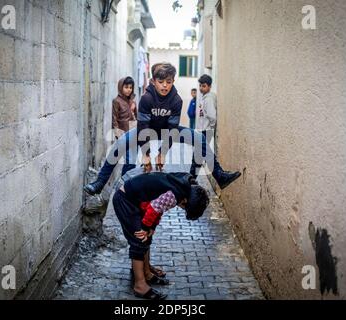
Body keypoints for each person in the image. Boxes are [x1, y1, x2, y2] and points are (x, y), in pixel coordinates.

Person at [84, 63, 241, 195]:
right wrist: (146, 154)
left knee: (199, 139)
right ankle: (99, 183)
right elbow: (143, 127)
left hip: (168, 130)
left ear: (173, 81)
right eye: (161, 82)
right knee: (120, 144)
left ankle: (219, 175)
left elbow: (172, 130)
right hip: (147, 129)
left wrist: (162, 153)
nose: (165, 85)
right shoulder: (147, 98)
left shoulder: (176, 100)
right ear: (153, 82)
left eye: (169, 81)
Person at [112, 172, 209, 300]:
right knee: (139, 240)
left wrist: (151, 227)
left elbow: (158, 209)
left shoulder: (181, 186)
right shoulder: (176, 195)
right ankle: (139, 285)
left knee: (146, 238)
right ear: (185, 201)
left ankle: (146, 272)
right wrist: (146, 228)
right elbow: (154, 208)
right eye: (185, 208)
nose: (182, 209)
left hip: (135, 200)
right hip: (125, 200)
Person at [191, 74, 218, 177]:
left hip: (205, 131)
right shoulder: (204, 98)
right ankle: (191, 179)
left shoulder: (209, 99)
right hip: (202, 131)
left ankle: (191, 180)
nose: (201, 88)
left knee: (198, 156)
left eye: (204, 86)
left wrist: (210, 128)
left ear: (209, 86)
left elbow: (212, 116)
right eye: (200, 86)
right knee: (198, 157)